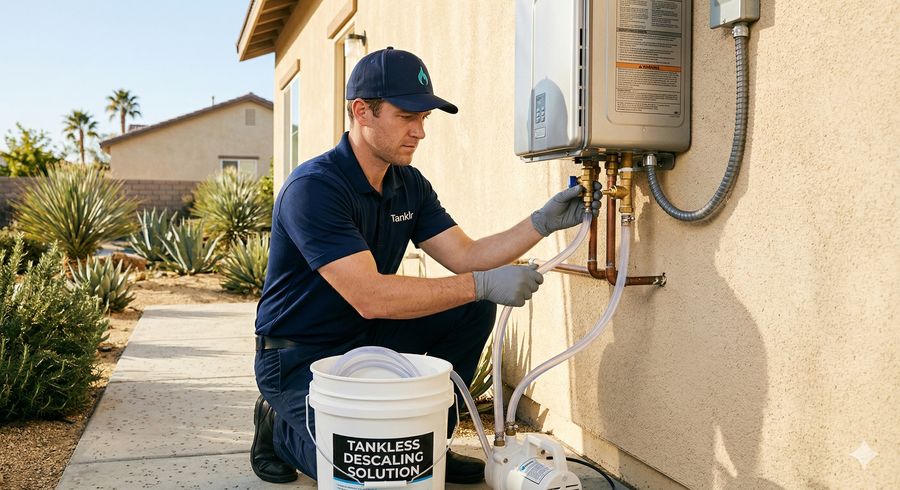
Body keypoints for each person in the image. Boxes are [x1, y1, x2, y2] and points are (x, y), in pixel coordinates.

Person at [251, 47, 600, 485]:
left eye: (424, 118)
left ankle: (433, 440)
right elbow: (371, 296)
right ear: (362, 111)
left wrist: (541, 223)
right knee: (363, 470)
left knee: (471, 309)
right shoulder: (315, 188)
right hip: (298, 352)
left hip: (365, 336)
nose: (419, 131)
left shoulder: (408, 184)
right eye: (406, 116)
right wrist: (481, 284)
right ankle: (278, 430)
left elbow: (465, 256)